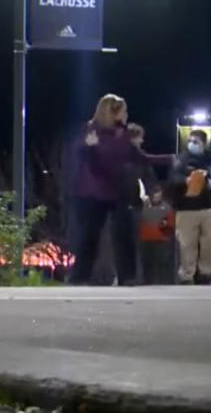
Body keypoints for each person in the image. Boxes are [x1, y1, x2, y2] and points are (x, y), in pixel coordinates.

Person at [68, 94, 163, 286]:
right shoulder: (90, 129)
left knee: (124, 232)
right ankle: (79, 277)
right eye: (123, 111)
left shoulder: (121, 134)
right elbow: (81, 154)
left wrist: (166, 164)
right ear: (112, 112)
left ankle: (127, 276)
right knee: (90, 234)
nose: (126, 115)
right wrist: (89, 147)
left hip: (118, 190)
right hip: (93, 192)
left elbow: (139, 160)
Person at [165, 130, 211, 285]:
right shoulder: (181, 159)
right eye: (190, 141)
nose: (192, 144)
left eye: (196, 142)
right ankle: (186, 275)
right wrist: (186, 180)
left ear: (204, 144)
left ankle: (205, 273)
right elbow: (172, 179)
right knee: (186, 245)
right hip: (186, 208)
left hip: (209, 207)